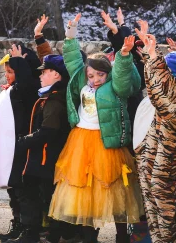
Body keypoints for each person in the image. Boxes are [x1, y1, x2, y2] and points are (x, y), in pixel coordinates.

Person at [48, 14, 143, 243]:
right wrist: (71, 32)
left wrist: (123, 55)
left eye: (100, 75)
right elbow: (72, 60)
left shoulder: (115, 87)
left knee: (116, 192)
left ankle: (122, 236)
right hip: (80, 142)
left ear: (107, 74)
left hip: (107, 144)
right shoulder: (83, 81)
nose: (95, 79)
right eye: (92, 75)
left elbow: (122, 76)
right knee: (84, 192)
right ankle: (89, 237)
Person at [135, 22, 176, 243]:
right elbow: (156, 81)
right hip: (159, 163)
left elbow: (158, 82)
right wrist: (150, 54)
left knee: (164, 212)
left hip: (166, 165)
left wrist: (152, 53)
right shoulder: (175, 95)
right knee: (163, 211)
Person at [10, 54, 71, 243]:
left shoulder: (54, 100)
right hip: (44, 157)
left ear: (57, 75)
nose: (41, 75)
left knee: (47, 198)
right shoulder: (49, 96)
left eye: (45, 72)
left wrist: (23, 141)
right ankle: (48, 234)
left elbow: (47, 132)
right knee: (45, 198)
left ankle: (52, 236)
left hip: (47, 158)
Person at [0, 43, 42, 242]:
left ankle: (30, 231)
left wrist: (20, 62)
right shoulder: (14, 89)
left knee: (25, 191)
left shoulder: (29, 90)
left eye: (11, 71)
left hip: (23, 147)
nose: (7, 75)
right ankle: (18, 224)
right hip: (11, 149)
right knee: (14, 189)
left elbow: (27, 84)